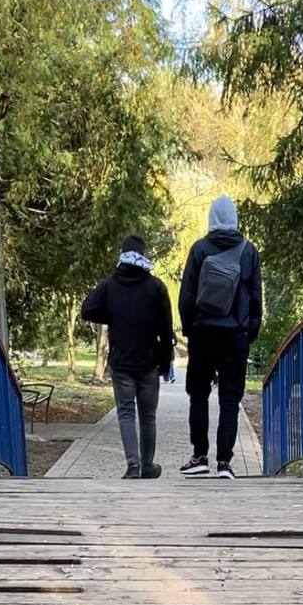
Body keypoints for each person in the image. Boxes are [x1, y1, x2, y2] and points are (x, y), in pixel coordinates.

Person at [178, 195, 262, 479]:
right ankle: (224, 463)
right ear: (235, 219)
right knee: (230, 400)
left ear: (211, 218)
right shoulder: (249, 251)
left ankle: (199, 456)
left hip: (203, 334)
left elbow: (186, 296)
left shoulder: (199, 249)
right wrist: (249, 332)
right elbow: (256, 299)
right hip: (235, 336)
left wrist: (190, 329)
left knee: (198, 395)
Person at [81, 235, 174, 479]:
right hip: (148, 362)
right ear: (143, 256)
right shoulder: (156, 287)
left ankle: (132, 464)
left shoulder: (110, 285)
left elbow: (87, 309)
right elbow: (166, 330)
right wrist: (166, 363)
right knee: (147, 415)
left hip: (121, 362)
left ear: (122, 255)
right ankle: (148, 466)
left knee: (125, 413)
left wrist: (113, 314)